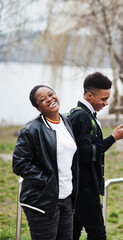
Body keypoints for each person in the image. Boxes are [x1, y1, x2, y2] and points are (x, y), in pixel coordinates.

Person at [69, 72, 123, 240]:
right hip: (84, 187)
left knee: (72, 233)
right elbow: (86, 153)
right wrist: (113, 138)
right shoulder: (81, 116)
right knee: (97, 233)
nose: (106, 103)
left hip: (82, 185)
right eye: (103, 99)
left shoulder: (85, 115)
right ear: (89, 95)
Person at [13, 85, 78, 240]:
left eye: (51, 94)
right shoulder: (31, 129)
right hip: (42, 200)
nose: (49, 99)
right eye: (43, 99)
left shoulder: (65, 121)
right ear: (38, 108)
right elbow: (19, 163)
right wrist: (48, 182)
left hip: (66, 197)